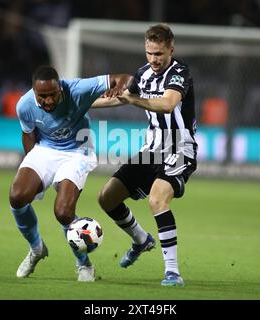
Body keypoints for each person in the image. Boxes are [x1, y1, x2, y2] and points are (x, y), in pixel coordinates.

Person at [93, 24, 197, 287]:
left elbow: (167, 104)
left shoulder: (180, 73)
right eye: (150, 53)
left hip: (179, 148)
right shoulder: (143, 74)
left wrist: (131, 99)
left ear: (171, 50)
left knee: (157, 198)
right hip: (151, 150)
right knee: (107, 198)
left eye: (159, 54)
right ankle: (141, 239)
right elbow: (120, 99)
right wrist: (81, 103)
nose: (154, 59)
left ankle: (172, 272)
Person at [9, 65, 131, 282]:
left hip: (78, 150)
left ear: (60, 88)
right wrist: (34, 170)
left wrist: (119, 86)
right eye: (42, 96)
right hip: (45, 150)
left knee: (64, 212)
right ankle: (37, 249)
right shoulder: (25, 105)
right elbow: (28, 135)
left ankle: (84, 265)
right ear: (34, 92)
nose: (47, 101)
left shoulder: (77, 88)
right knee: (18, 197)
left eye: (52, 95)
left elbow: (123, 77)